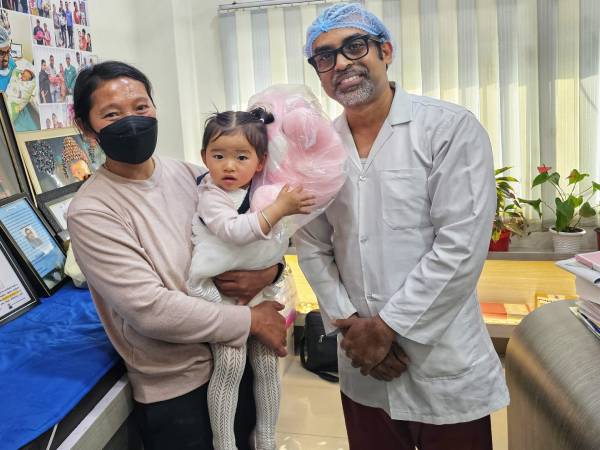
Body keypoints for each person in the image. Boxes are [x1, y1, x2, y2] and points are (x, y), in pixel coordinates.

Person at [295, 4, 509, 450]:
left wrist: (388, 328)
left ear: (386, 51)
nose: (342, 63)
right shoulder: (317, 150)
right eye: (325, 57)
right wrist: (354, 327)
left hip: (441, 357)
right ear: (319, 73)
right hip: (361, 358)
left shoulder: (448, 128)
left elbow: (460, 246)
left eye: (355, 47)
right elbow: (312, 245)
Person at [67, 61, 287, 450]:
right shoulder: (92, 211)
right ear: (87, 128)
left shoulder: (191, 176)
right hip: (179, 389)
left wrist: (271, 272)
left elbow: (248, 236)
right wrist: (251, 319)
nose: (132, 121)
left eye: (141, 107)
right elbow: (151, 309)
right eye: (112, 114)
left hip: (238, 359)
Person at [188, 108, 314, 450]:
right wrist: (279, 209)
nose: (229, 166)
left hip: (259, 291)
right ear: (204, 157)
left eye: (241, 157)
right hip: (214, 292)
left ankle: (266, 438)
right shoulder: (211, 194)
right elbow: (234, 231)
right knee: (230, 364)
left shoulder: (262, 191)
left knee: (268, 363)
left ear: (260, 162)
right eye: (218, 156)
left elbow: (275, 242)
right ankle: (224, 443)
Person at [0, 27, 39, 131]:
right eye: (2, 53)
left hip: (25, 118)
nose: (7, 58)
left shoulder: (11, 62)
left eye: (8, 52)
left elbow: (24, 84)